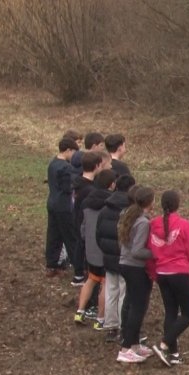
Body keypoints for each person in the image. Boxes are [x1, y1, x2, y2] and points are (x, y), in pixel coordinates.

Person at [148, 190, 189, 367]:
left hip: (162, 274)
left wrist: (154, 274)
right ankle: (163, 344)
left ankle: (174, 354)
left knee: (171, 312)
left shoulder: (153, 224)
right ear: (177, 204)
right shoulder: (184, 225)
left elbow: (149, 254)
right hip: (180, 274)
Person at [117, 186, 156, 363]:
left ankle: (133, 345)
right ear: (149, 202)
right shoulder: (143, 223)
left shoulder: (128, 216)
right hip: (135, 268)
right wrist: (155, 252)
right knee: (137, 309)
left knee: (133, 305)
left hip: (125, 264)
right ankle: (126, 348)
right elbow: (137, 251)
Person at [96, 174, 136, 342]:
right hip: (125, 258)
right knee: (124, 293)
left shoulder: (105, 209)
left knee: (111, 291)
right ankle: (122, 326)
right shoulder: (130, 212)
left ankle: (111, 326)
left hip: (108, 257)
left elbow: (98, 234)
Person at [74, 169, 116, 327]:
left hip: (90, 249)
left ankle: (80, 311)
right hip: (104, 250)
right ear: (111, 184)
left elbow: (82, 227)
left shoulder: (87, 201)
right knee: (105, 283)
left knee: (91, 279)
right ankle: (100, 319)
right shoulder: (111, 203)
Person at [45, 137, 79, 277]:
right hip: (64, 207)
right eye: (74, 153)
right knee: (71, 237)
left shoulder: (53, 163)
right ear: (68, 150)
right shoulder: (66, 167)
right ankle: (78, 266)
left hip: (52, 203)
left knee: (54, 235)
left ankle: (52, 264)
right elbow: (67, 188)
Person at [70, 151, 105, 286]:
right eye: (101, 165)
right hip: (83, 221)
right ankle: (79, 274)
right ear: (96, 166)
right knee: (82, 246)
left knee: (79, 244)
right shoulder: (89, 189)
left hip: (75, 217)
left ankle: (79, 272)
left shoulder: (78, 181)